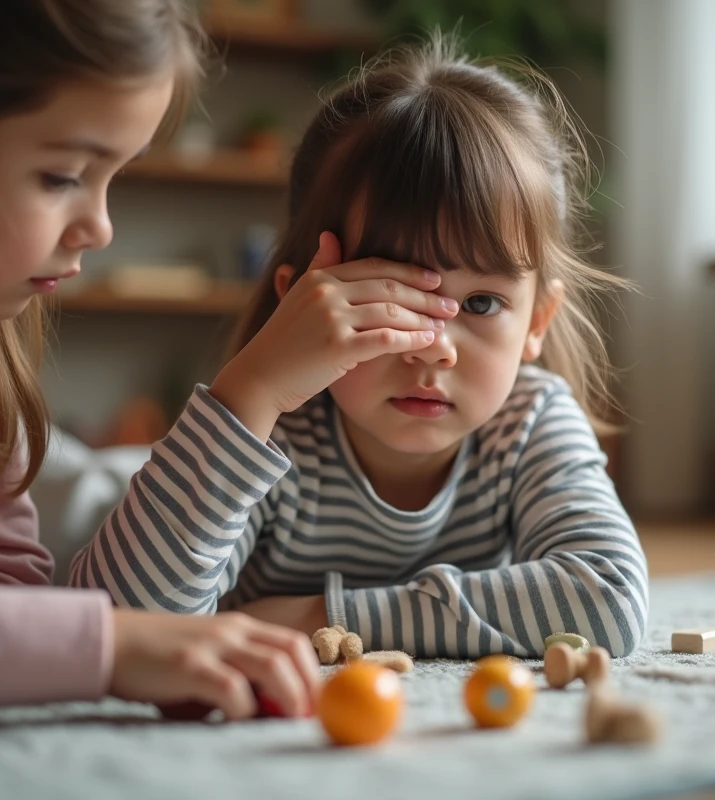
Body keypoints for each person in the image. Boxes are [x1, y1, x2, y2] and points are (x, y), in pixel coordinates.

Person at [0, 0, 449, 718]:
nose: (100, 227)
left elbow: (3, 583)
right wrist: (111, 648)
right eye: (60, 176)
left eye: (114, 178)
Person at [70, 35, 648, 659]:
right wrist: (255, 387)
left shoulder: (531, 422)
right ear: (302, 310)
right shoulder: (272, 437)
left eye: (480, 304)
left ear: (537, 321)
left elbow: (608, 599)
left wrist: (325, 617)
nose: (432, 349)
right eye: (387, 297)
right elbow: (118, 626)